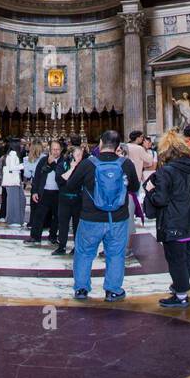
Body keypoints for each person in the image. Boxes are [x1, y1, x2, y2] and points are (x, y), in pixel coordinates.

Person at [67, 128, 141, 302]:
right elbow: (135, 188)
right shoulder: (126, 164)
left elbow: (70, 186)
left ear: (101, 143)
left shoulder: (88, 163)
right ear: (117, 146)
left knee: (84, 253)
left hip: (90, 218)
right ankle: (113, 290)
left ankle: (81, 289)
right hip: (117, 218)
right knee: (115, 254)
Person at [143, 127, 190, 307]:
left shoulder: (166, 172)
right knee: (186, 256)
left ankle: (180, 295)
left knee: (176, 260)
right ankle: (182, 286)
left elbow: (160, 199)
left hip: (175, 224)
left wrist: (150, 191)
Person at [29, 138, 64, 244]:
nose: (55, 151)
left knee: (56, 216)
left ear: (61, 150)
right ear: (50, 149)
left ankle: (53, 236)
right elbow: (37, 176)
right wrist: (34, 191)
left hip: (58, 192)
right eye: (53, 149)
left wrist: (51, 164)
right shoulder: (43, 160)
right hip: (44, 191)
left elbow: (60, 173)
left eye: (57, 149)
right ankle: (35, 236)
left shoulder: (64, 161)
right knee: (39, 215)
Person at [53, 140, 84, 256]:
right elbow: (60, 180)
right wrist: (72, 168)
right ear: (71, 155)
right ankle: (61, 246)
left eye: (81, 155)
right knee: (63, 224)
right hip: (64, 199)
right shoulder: (62, 164)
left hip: (78, 199)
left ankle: (77, 247)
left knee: (78, 225)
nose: (80, 157)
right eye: (78, 155)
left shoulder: (83, 166)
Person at [0, 137, 26, 227]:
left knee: (17, 200)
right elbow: (12, 167)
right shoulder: (13, 154)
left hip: (13, 180)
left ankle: (15, 219)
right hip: (13, 180)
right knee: (14, 201)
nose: (21, 146)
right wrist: (23, 165)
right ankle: (14, 220)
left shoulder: (10, 154)